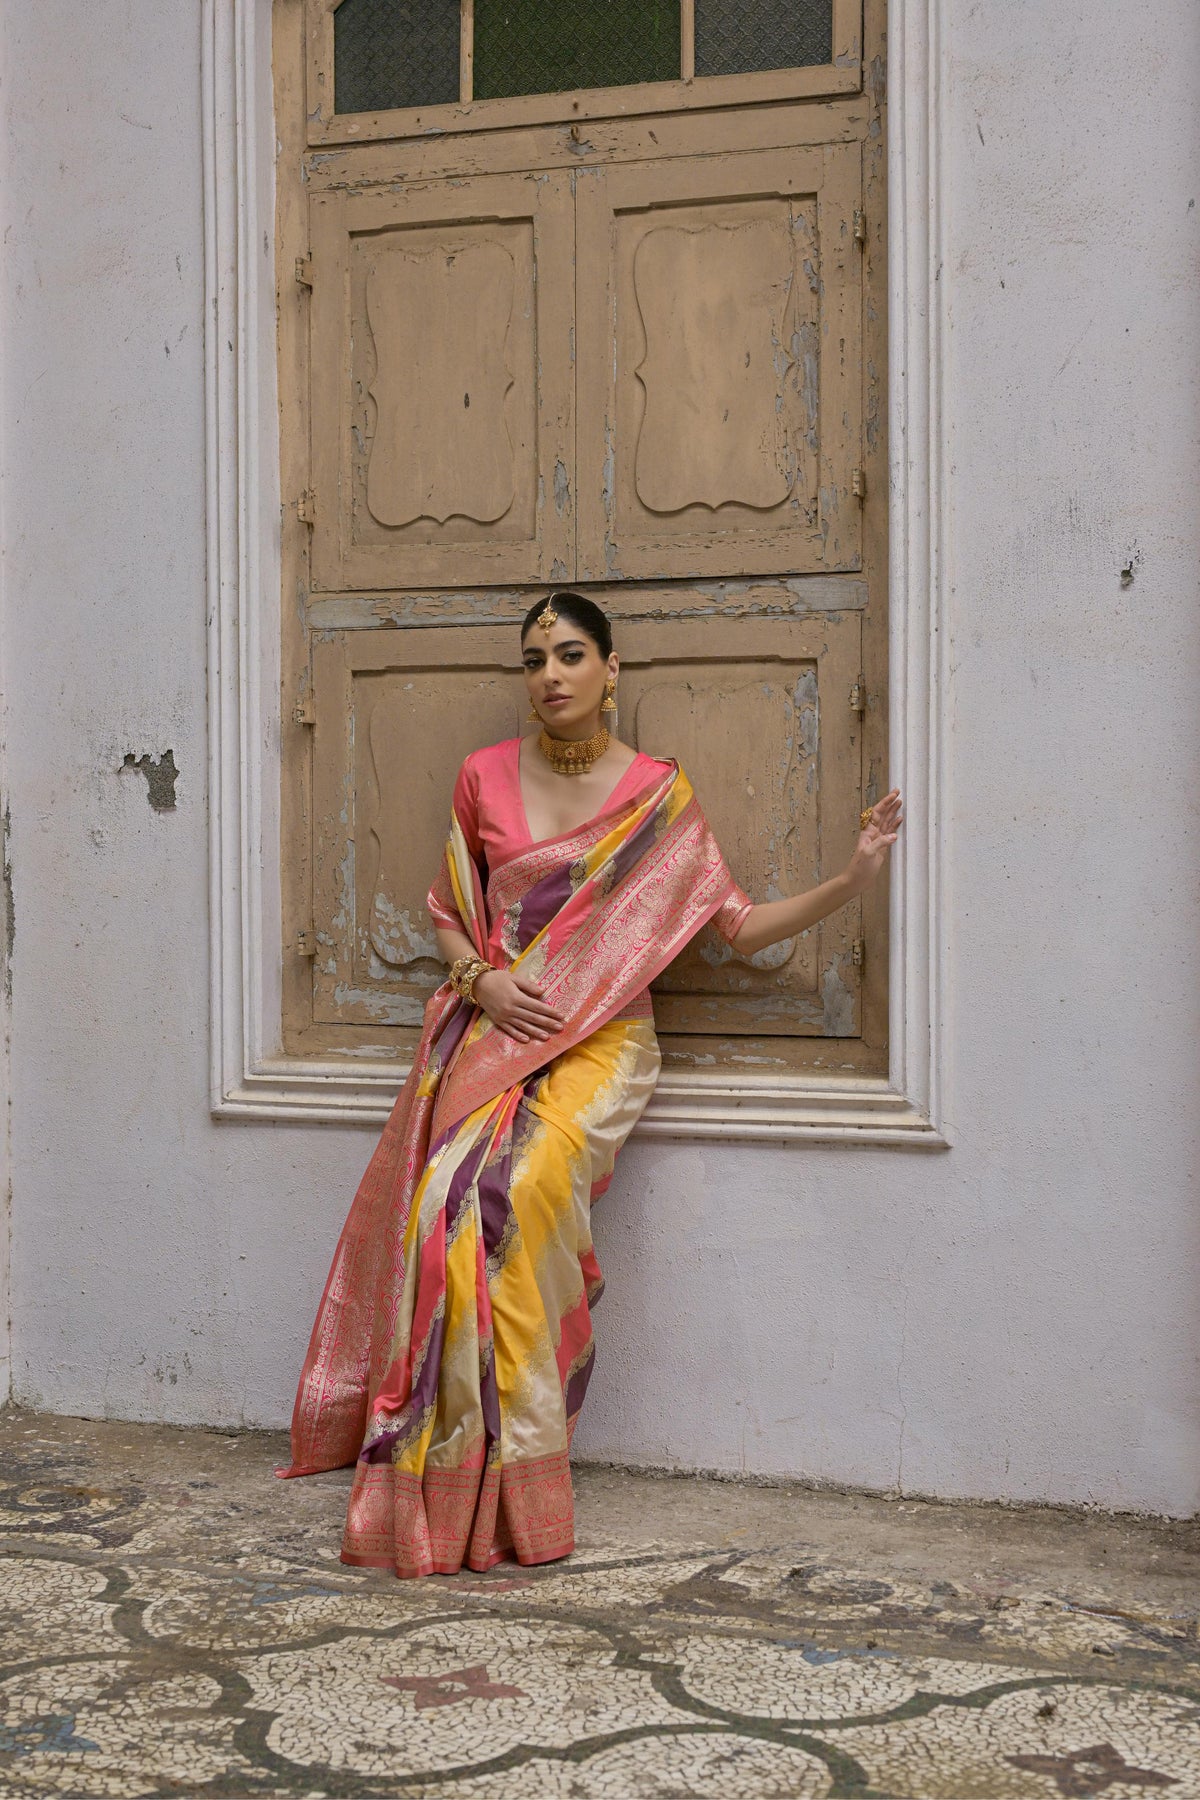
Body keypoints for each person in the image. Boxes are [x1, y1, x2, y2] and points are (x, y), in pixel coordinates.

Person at [281, 592, 903, 1578]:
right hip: (496, 1032)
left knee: (521, 1190)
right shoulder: (482, 776)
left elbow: (736, 927)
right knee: (445, 1208)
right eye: (534, 661)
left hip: (605, 1043)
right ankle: (449, 1474)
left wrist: (852, 881)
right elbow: (446, 908)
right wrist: (481, 980)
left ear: (613, 669)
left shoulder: (658, 797)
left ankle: (523, 1477)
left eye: (571, 655)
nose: (551, 676)